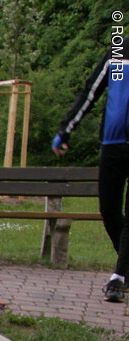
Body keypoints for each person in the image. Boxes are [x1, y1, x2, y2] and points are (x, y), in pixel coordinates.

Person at [53, 50, 129, 303]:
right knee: (108, 210)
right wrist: (66, 130)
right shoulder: (118, 53)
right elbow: (89, 94)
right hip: (113, 144)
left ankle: (118, 278)